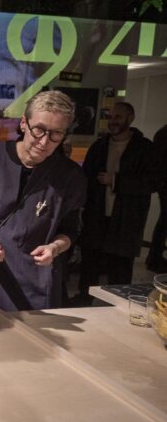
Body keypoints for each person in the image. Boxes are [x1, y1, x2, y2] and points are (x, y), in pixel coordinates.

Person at [0, 91, 86, 311]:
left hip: (35, 279)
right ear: (24, 123)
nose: (44, 141)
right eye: (39, 129)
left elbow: (70, 230)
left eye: (56, 134)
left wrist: (54, 248)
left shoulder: (69, 176)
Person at [78, 102, 161, 303]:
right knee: (90, 262)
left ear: (130, 119)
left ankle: (117, 304)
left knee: (120, 266)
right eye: (110, 117)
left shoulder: (145, 148)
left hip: (127, 219)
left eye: (118, 117)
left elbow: (154, 181)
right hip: (97, 216)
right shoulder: (99, 146)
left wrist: (117, 181)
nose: (113, 121)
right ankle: (83, 300)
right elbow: (86, 177)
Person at [146, 124, 167, 273]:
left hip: (163, 183)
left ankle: (154, 256)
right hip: (164, 183)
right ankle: (154, 257)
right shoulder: (164, 134)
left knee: (164, 221)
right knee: (164, 221)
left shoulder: (162, 133)